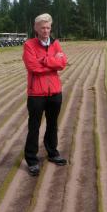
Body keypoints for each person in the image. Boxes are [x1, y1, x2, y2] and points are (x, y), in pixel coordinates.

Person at [22, 13, 67, 176]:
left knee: (53, 124)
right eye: (43, 28)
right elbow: (32, 67)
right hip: (36, 94)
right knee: (34, 127)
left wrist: (45, 60)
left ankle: (53, 153)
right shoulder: (29, 45)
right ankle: (32, 160)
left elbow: (62, 64)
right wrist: (52, 63)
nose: (46, 30)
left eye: (48, 27)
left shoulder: (56, 44)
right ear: (36, 28)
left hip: (55, 92)